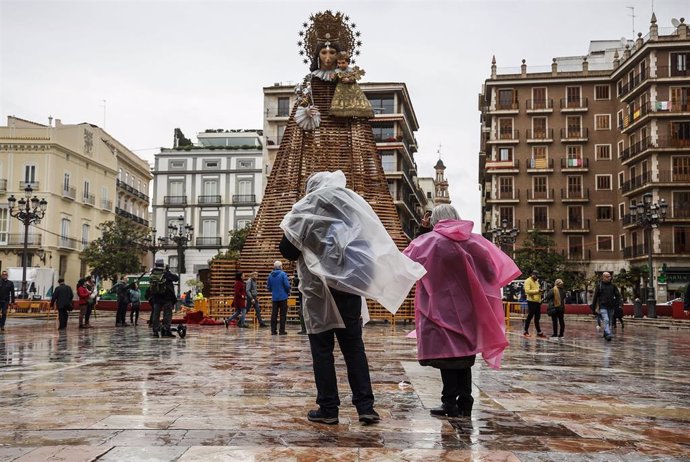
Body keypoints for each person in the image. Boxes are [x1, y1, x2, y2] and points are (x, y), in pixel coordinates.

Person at [279, 170, 425, 425]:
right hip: (347, 292)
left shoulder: (304, 213)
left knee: (322, 351)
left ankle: (328, 408)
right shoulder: (352, 215)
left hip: (318, 294)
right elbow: (368, 253)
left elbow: (288, 250)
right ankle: (365, 407)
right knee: (354, 349)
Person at [403, 204, 520, 418]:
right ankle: (465, 401)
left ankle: (449, 403)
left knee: (447, 355)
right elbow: (491, 271)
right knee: (465, 356)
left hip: (439, 310)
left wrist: (423, 231)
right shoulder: (474, 243)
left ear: (435, 220)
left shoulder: (429, 242)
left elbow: (407, 261)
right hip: (470, 311)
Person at [329, 51, 374, 118]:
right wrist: (332, 78)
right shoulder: (336, 71)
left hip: (352, 89)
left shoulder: (352, 70)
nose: (341, 65)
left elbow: (355, 78)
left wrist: (349, 80)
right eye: (339, 63)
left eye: (343, 63)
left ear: (348, 62)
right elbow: (334, 80)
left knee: (353, 102)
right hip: (340, 89)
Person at [590, 272, 623, 342]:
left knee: (610, 321)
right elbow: (595, 297)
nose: (609, 278)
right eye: (608, 277)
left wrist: (619, 304)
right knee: (606, 320)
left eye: (610, 276)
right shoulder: (599, 286)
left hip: (611, 306)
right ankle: (608, 333)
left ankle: (605, 333)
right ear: (603, 277)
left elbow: (618, 295)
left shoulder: (613, 286)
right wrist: (593, 308)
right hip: (603, 306)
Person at [149, 261, 179, 338]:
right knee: (167, 314)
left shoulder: (152, 274)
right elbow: (176, 278)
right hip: (167, 298)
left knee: (156, 315)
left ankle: (155, 331)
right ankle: (166, 331)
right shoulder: (166, 274)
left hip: (156, 298)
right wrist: (168, 271)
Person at [266, 261, 290, 335]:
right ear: (280, 266)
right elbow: (287, 285)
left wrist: (273, 291)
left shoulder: (270, 275)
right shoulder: (283, 274)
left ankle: (273, 331)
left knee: (274, 314)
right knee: (283, 315)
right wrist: (288, 291)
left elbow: (268, 287)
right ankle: (282, 331)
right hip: (283, 297)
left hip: (274, 298)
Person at [523, 270, 545, 337]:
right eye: (536, 276)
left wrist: (541, 292)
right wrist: (538, 291)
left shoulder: (536, 282)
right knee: (530, 316)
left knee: (537, 317)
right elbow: (527, 291)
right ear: (532, 275)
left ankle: (539, 332)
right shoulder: (527, 281)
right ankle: (525, 331)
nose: (537, 277)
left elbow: (538, 291)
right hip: (531, 301)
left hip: (537, 301)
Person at [294, 271, 306, 335]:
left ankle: (304, 329)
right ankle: (304, 329)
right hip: (303, 296)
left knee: (302, 312)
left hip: (303, 296)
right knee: (301, 312)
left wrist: (295, 278)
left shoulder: (303, 276)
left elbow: (298, 281)